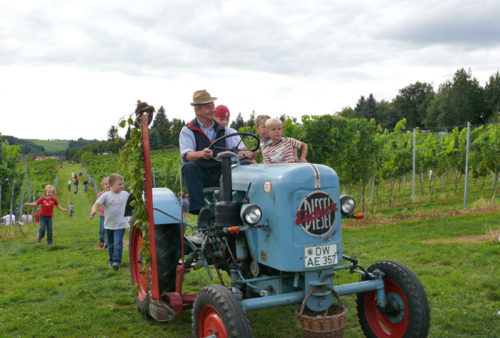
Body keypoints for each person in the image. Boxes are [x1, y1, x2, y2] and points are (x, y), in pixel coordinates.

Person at [179, 89, 251, 214]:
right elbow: (187, 155)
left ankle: (247, 207)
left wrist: (247, 154)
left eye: (213, 106)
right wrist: (201, 154)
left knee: (245, 165)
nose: (212, 110)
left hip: (223, 173)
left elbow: (239, 152)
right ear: (197, 110)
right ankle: (200, 211)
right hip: (201, 173)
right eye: (208, 107)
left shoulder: (225, 131)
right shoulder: (188, 130)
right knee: (189, 167)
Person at [90, 174, 129, 270]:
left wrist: (130, 216)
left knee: (118, 243)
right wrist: (94, 210)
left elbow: (131, 205)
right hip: (109, 224)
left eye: (122, 184)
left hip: (121, 224)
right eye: (119, 184)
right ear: (111, 185)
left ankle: (117, 261)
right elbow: (96, 204)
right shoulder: (105, 195)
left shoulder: (125, 194)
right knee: (110, 244)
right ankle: (111, 261)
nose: (122, 186)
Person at [95, 177, 110, 249]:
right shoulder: (100, 194)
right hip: (102, 215)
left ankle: (107, 246)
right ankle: (101, 240)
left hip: (110, 216)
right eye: (105, 184)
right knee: (102, 230)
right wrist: (94, 210)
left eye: (109, 184)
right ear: (103, 186)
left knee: (107, 231)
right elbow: (97, 203)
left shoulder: (113, 194)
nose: (107, 185)